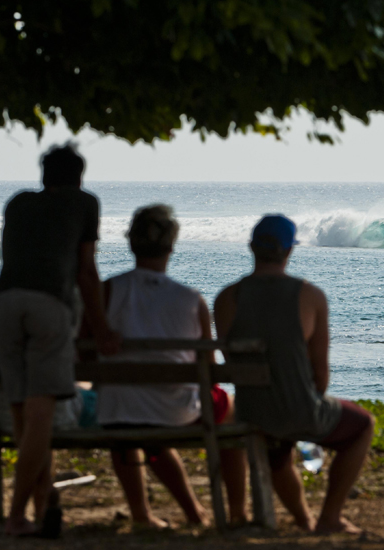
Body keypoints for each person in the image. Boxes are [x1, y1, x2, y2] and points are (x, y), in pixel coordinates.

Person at [214, 214, 375, 534]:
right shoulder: (309, 296)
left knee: (277, 449)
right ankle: (329, 517)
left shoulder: (227, 298)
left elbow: (232, 361)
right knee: (363, 426)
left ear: (251, 248)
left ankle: (303, 519)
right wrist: (309, 400)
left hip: (251, 411)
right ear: (289, 251)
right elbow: (320, 372)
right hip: (297, 409)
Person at [0, 142, 120, 536]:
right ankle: (16, 516)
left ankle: (42, 505)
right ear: (79, 177)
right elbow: (86, 271)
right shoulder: (84, 203)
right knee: (41, 412)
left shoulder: (18, 204)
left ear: (43, 174)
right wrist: (101, 330)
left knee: (21, 413)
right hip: (49, 305)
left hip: (5, 302)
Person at [95, 204, 247, 528]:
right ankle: (236, 512)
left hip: (117, 410)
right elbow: (209, 368)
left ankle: (142, 513)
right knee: (229, 409)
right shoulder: (191, 299)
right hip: (178, 412)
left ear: (131, 243)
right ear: (171, 247)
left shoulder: (107, 291)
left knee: (133, 414)